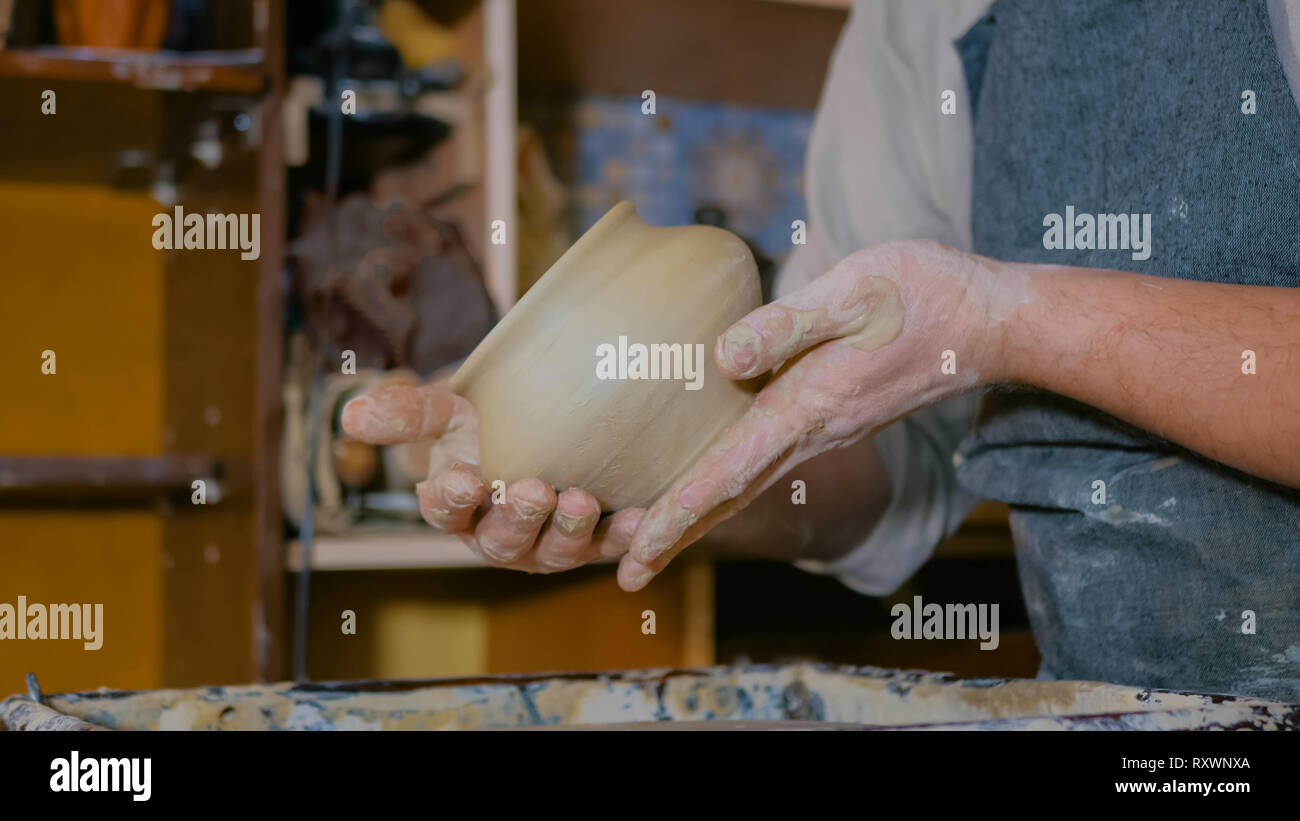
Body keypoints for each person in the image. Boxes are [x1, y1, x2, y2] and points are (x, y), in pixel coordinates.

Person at [342, 0, 1300, 701]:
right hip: (1115, 713)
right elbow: (891, 454)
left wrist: (1009, 319)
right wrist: (678, 476)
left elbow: (976, 319)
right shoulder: (914, 29)